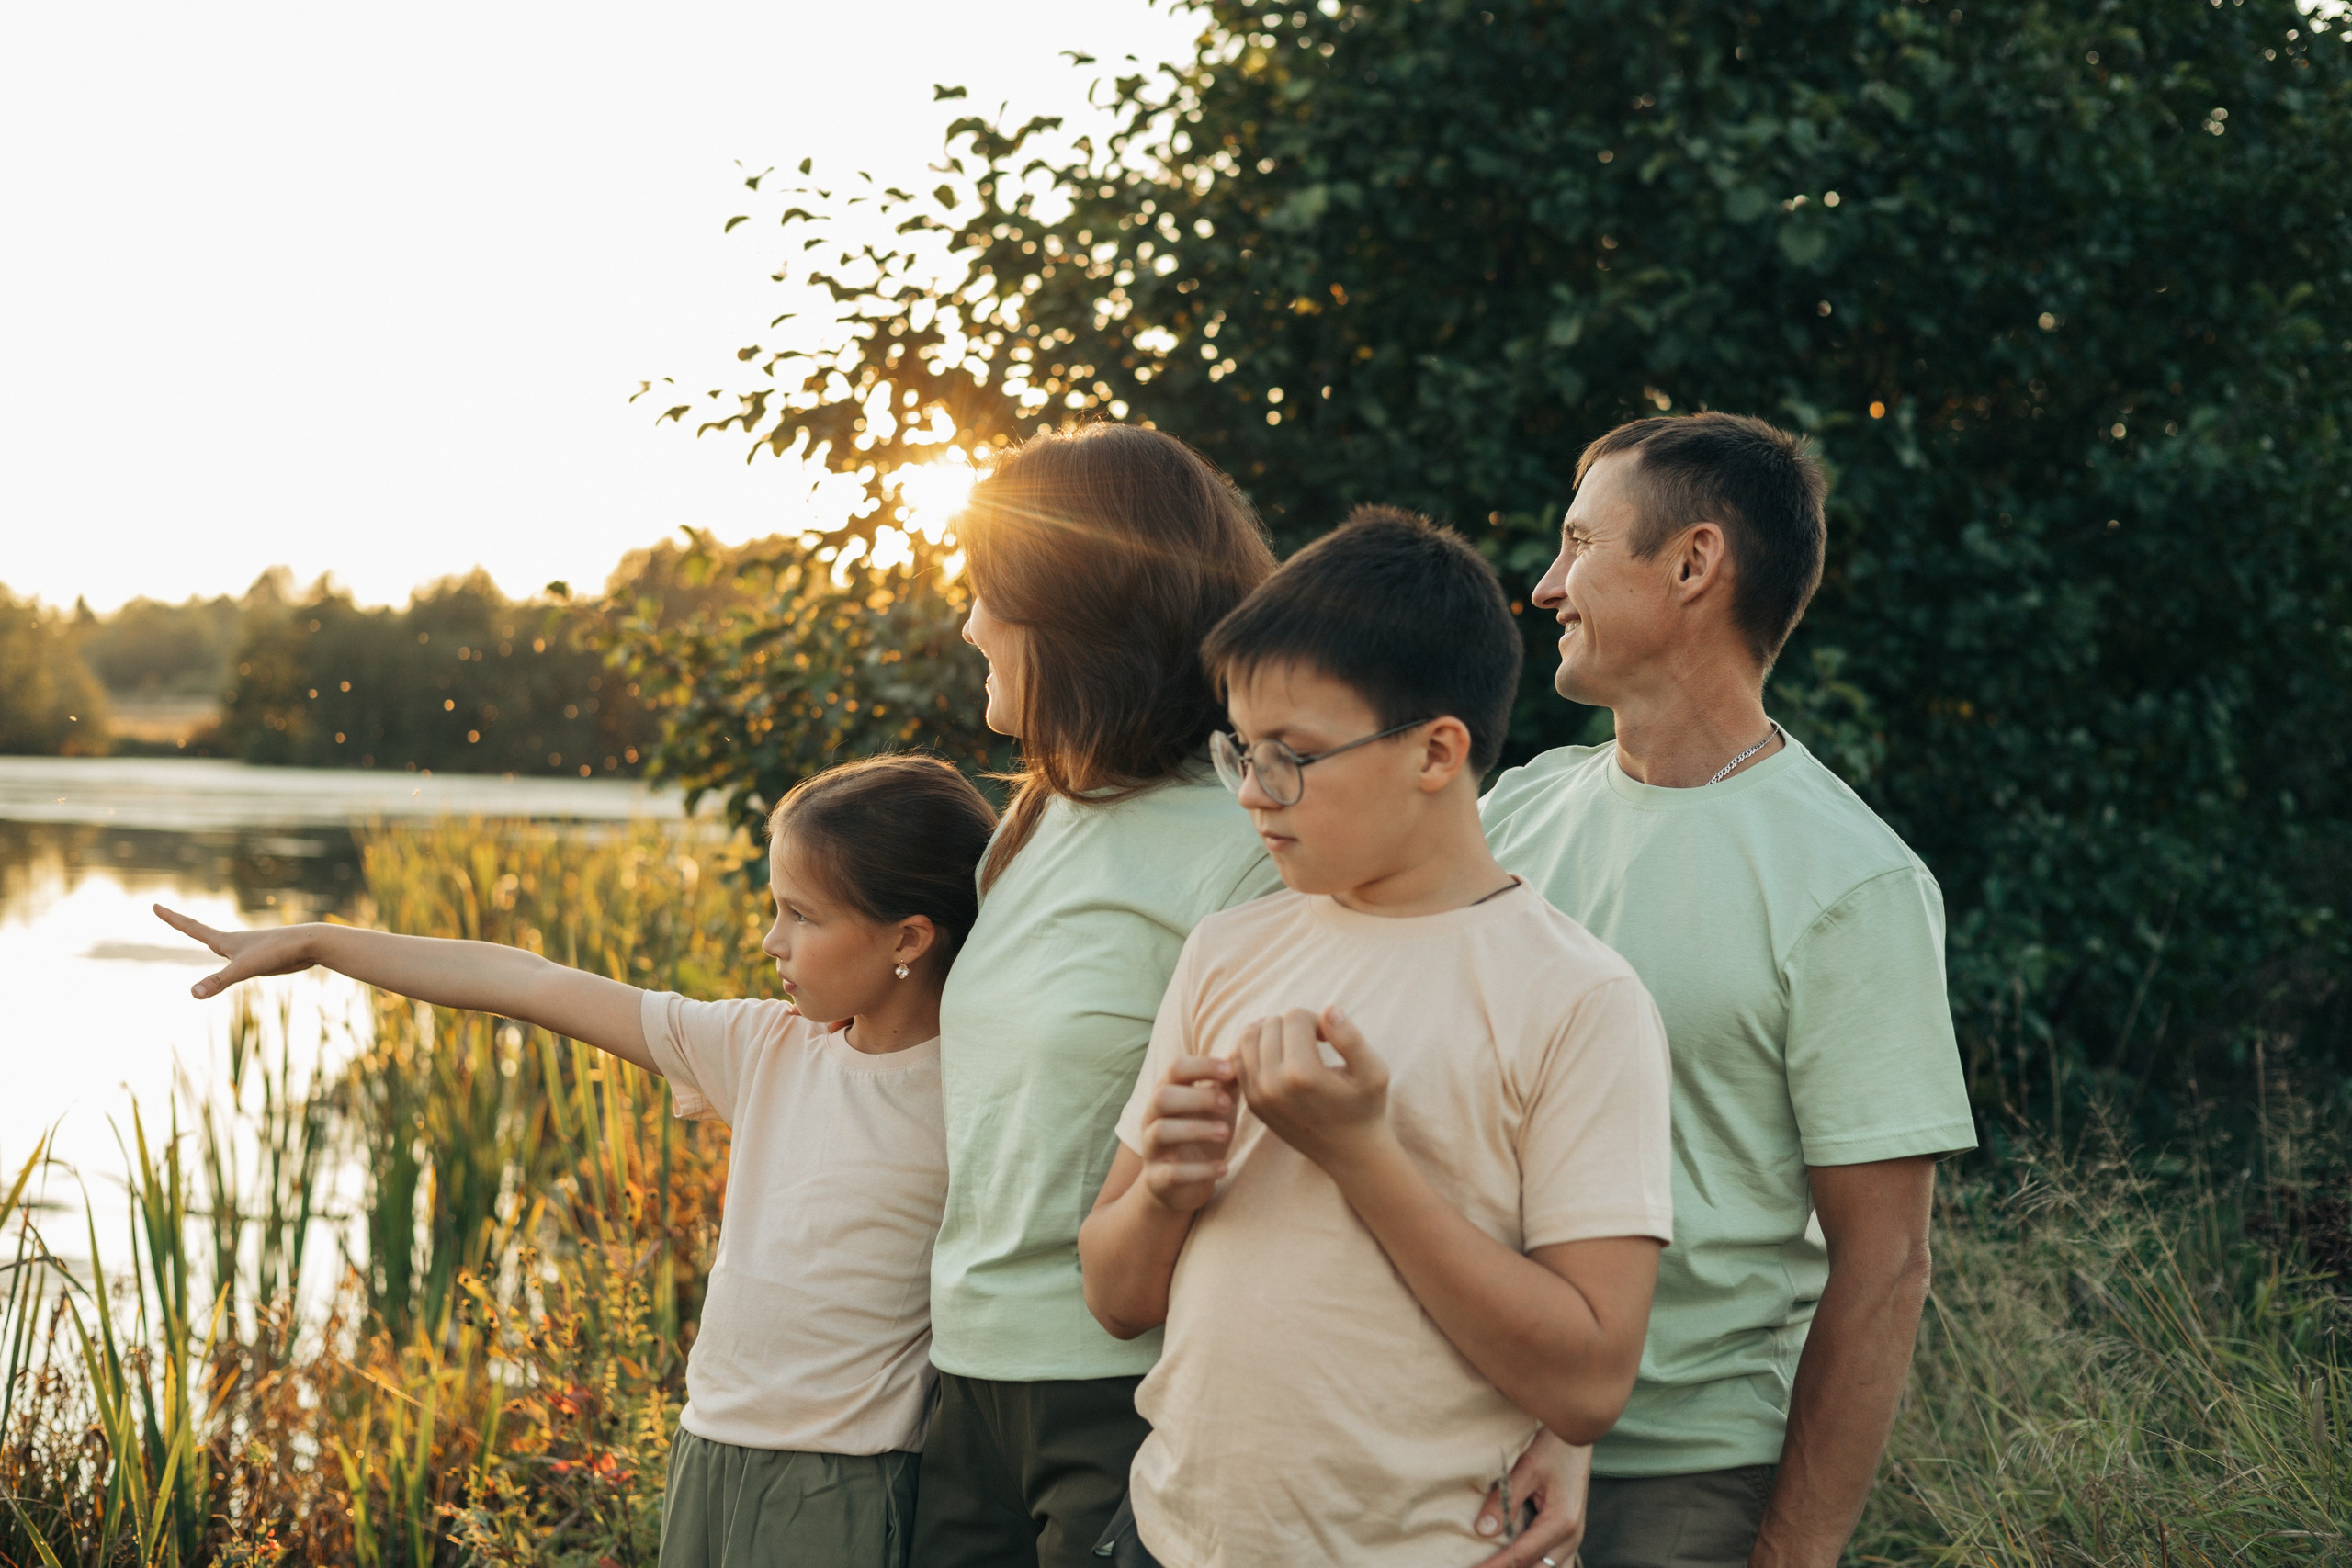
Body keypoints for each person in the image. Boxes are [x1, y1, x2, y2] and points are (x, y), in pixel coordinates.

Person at [155, 753, 999, 1568]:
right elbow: (530, 981)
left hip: (843, 1484)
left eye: (802, 916)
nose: (771, 939)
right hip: (707, 1451)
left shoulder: (978, 1095)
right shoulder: (762, 1046)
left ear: (908, 936)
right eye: (775, 908)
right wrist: (319, 943)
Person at [1077, 507, 1677, 1568]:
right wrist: (1164, 1190)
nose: (1252, 794)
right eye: (1241, 751)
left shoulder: (1577, 998)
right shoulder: (1226, 950)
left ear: (1436, 751)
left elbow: (1587, 1384)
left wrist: (1360, 1154)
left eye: (1293, 757)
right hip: (1172, 1538)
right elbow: (1115, 1298)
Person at [1479, 412, 1978, 1568]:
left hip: (1682, 1480)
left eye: (1577, 544)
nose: (1544, 586)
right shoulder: (1510, 815)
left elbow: (1885, 1268)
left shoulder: (1852, 882)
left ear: (1693, 562)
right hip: (1465, 1449)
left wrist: (1790, 1554)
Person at [912, 424, 1290, 1567]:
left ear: (1073, 614)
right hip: (963, 1379)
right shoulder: (1030, 823)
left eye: (988, 594)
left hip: (1123, 1393)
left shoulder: (1248, 849)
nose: (969, 624)